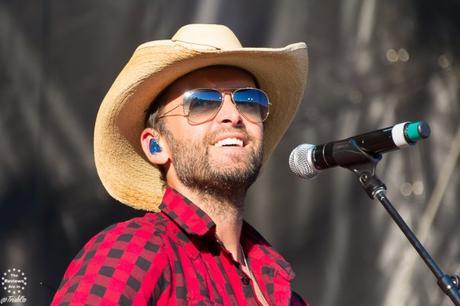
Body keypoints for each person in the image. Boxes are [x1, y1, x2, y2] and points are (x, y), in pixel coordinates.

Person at [52, 24, 308, 305]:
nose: (233, 115)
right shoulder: (135, 249)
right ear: (156, 145)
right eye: (201, 102)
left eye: (249, 101)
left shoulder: (280, 287)